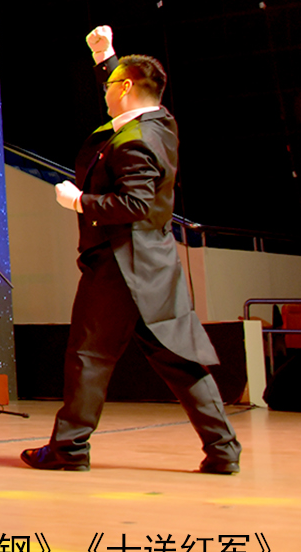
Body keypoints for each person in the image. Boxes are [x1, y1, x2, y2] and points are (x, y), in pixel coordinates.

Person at [22, 27, 240, 474]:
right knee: (180, 360)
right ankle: (223, 449)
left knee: (88, 357)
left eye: (110, 83)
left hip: (119, 264)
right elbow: (130, 92)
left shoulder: (135, 140)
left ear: (124, 88)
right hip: (156, 265)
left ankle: (69, 450)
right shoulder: (162, 122)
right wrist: (107, 56)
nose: (104, 91)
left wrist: (79, 201)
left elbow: (135, 205)